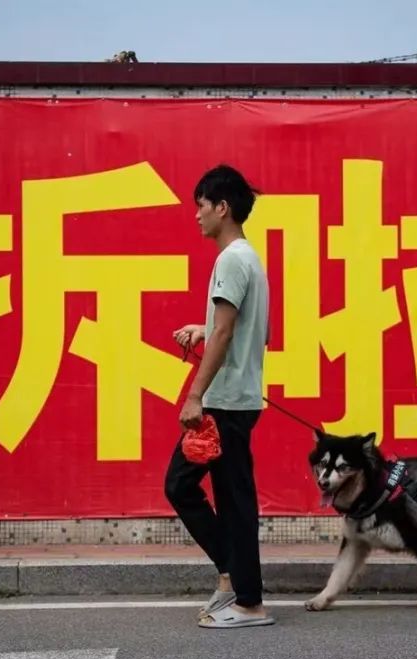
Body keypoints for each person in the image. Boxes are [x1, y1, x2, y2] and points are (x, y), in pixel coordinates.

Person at [164, 164, 273, 629]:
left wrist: (194, 397)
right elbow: (248, 331)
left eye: (202, 206)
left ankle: (246, 599)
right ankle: (235, 582)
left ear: (222, 207)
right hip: (238, 399)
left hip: (225, 403)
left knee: (192, 488)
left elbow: (228, 332)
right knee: (226, 496)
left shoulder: (230, 260)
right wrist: (202, 328)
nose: (197, 216)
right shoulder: (250, 258)